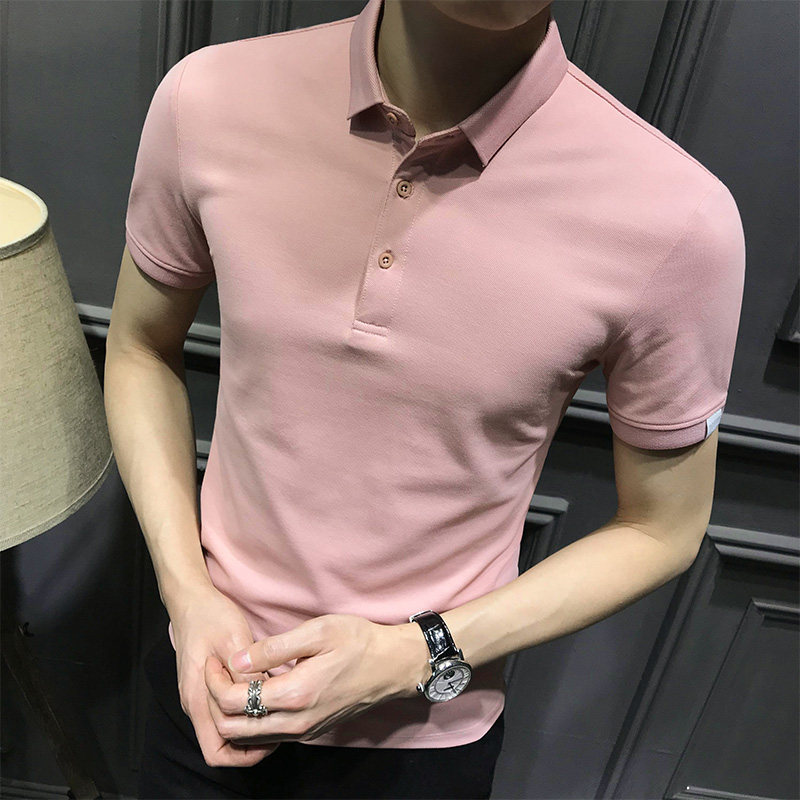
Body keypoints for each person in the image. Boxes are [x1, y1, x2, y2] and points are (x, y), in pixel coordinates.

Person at [105, 0, 746, 797]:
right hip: (211, 686)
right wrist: (188, 595)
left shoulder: (677, 219)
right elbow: (139, 348)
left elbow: (664, 526)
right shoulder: (210, 100)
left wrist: (414, 653)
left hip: (425, 740)